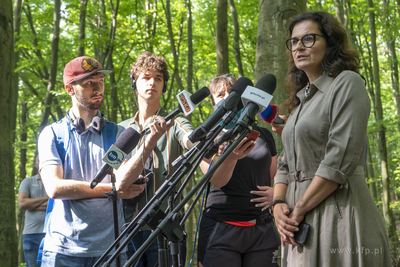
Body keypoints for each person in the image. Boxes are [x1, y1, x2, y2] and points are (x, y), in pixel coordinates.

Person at [271, 11, 391, 266]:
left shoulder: (348, 83)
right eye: (293, 41)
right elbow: (284, 163)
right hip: (295, 222)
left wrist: (299, 209)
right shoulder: (300, 100)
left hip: (340, 212)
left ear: (331, 43)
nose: (298, 47)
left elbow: (340, 158)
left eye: (309, 39)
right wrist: (278, 205)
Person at [38, 56, 170, 267]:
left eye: (100, 81)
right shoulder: (53, 134)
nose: (97, 87)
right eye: (89, 83)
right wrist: (112, 190)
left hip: (111, 250)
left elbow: (124, 180)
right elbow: (55, 188)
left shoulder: (116, 133)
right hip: (62, 252)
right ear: (70, 89)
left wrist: (149, 144)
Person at [197, 74, 280, 267]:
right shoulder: (208, 138)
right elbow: (217, 180)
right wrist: (232, 156)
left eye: (232, 92)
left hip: (262, 230)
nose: (227, 97)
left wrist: (277, 194)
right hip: (221, 230)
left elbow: (273, 175)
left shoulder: (264, 134)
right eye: (220, 94)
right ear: (213, 102)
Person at [119, 51, 194, 267]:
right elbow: (108, 172)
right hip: (126, 229)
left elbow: (192, 140)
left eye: (158, 78)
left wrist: (204, 143)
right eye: (146, 77)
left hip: (165, 227)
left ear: (163, 86)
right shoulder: (120, 129)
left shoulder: (175, 122)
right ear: (134, 83)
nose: (152, 82)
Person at [18, 154, 49, 267]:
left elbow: (58, 205)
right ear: (35, 163)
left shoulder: (54, 183)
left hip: (52, 233)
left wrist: (32, 204)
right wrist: (48, 199)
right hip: (31, 234)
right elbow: (22, 203)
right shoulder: (28, 182)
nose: (41, 162)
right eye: (38, 160)